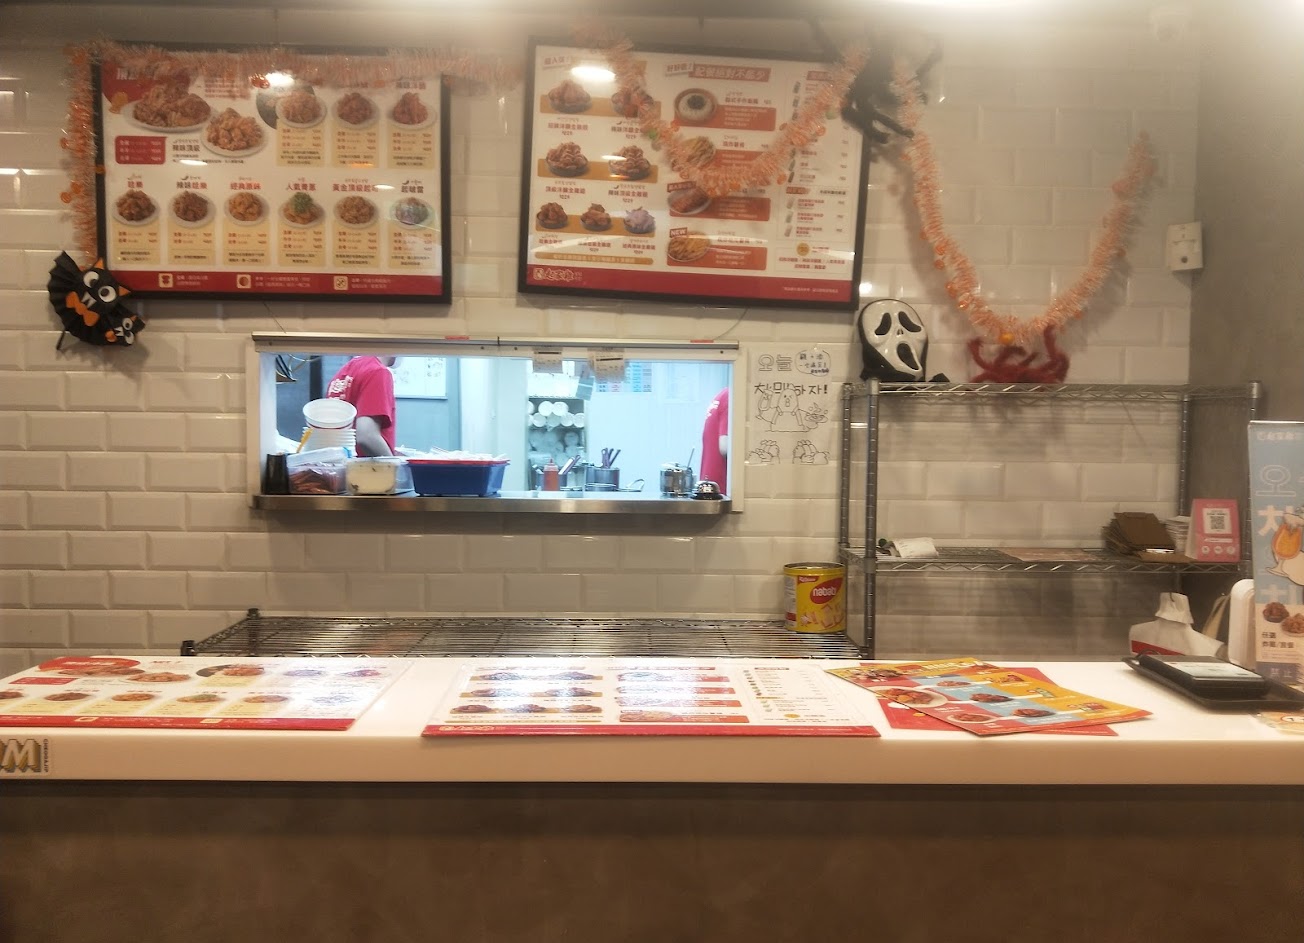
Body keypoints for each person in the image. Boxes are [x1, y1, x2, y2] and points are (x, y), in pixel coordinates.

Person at [325, 355, 397, 457]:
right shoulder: (377, 371)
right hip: (365, 465)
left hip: (341, 462)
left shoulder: (346, 371)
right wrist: (392, 464)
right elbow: (367, 436)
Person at [700, 388, 729, 491]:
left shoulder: (722, 395)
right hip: (720, 488)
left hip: (710, 484)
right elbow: (725, 447)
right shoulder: (732, 398)